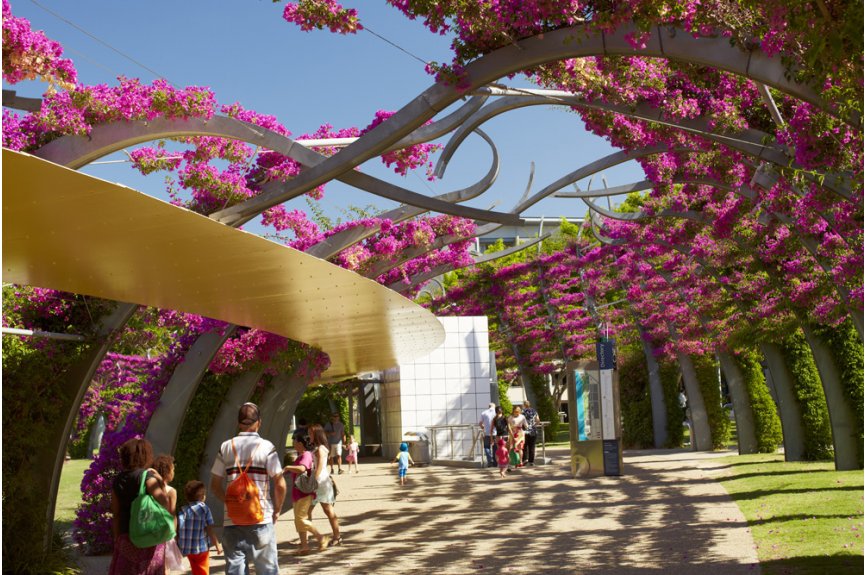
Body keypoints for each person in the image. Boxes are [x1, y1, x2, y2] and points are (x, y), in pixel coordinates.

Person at [209, 403, 286, 575]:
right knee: (267, 570)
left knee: (235, 569)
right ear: (259, 422)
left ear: (238, 423)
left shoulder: (226, 447)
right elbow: (280, 483)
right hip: (261, 518)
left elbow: (215, 485)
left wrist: (231, 502)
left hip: (232, 520)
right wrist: (277, 510)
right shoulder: (267, 447)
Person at [108, 438, 172, 575]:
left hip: (125, 537)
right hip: (147, 536)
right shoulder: (147, 477)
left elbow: (116, 513)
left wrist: (117, 538)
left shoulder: (118, 480)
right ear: (145, 456)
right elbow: (165, 502)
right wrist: (160, 480)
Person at [282, 437, 327, 555]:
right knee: (298, 520)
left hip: (304, 493)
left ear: (300, 443)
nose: (293, 443)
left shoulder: (306, 455)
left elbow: (302, 468)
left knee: (301, 519)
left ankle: (320, 537)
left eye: (294, 441)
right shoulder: (301, 455)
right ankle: (304, 546)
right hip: (298, 492)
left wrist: (287, 467)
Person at [177, 480, 221, 575]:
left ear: (186, 497)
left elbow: (178, 529)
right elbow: (209, 529)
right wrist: (217, 545)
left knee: (196, 569)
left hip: (187, 548)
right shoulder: (204, 509)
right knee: (203, 571)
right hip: (201, 548)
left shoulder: (182, 510)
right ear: (202, 496)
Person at [308, 423, 342, 546]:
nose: (309, 435)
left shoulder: (320, 449)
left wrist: (312, 481)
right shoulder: (319, 448)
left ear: (316, 434)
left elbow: (320, 467)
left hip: (321, 483)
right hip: (320, 482)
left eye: (311, 433)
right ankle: (306, 538)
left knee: (327, 510)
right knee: (307, 511)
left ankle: (336, 536)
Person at [521, 400, 541, 466]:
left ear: (524, 405)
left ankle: (525, 460)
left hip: (525, 431)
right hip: (533, 431)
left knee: (524, 446)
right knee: (532, 446)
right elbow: (538, 420)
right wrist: (534, 424)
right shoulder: (534, 411)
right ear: (529, 404)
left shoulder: (522, 412)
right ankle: (531, 461)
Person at [508, 405, 527, 470]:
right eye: (516, 411)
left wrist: (524, 431)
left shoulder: (522, 417)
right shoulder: (510, 417)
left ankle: (520, 461)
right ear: (513, 411)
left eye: (518, 411)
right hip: (512, 433)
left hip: (520, 433)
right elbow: (509, 427)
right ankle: (515, 462)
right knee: (513, 447)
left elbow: (526, 425)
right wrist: (511, 434)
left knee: (520, 448)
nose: (517, 412)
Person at [478, 402, 496, 468]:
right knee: (495, 447)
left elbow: (480, 423)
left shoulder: (484, 413)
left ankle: (489, 461)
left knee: (486, 447)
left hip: (487, 433)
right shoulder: (496, 412)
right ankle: (495, 462)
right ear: (494, 406)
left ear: (489, 406)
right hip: (495, 433)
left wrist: (483, 427)